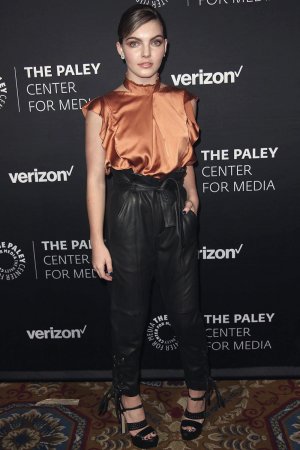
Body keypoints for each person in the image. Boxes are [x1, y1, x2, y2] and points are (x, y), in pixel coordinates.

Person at [82, 4, 223, 449]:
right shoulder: (102, 108)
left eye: (155, 42)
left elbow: (186, 159)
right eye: (135, 43)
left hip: (174, 208)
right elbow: (93, 178)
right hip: (126, 211)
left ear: (165, 47)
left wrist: (193, 196)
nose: (146, 53)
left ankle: (199, 393)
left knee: (186, 312)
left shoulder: (184, 99)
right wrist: (96, 241)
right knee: (129, 316)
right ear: (120, 48)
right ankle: (129, 401)